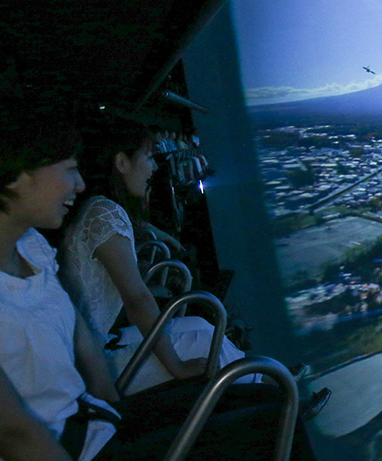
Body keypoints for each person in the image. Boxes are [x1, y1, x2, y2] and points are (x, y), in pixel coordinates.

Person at [0, 89, 365, 461]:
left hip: (92, 429)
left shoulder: (26, 245)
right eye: (68, 169)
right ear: (18, 173)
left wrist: (118, 408)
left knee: (272, 405)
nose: (80, 183)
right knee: (267, 422)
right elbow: (12, 433)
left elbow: (78, 333)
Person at [59, 115, 257, 394]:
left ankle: (263, 383)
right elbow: (136, 299)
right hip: (91, 363)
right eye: (149, 157)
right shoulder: (105, 214)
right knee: (204, 345)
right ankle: (270, 395)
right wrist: (176, 365)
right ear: (122, 163)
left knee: (200, 324)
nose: (153, 168)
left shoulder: (99, 208)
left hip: (92, 343)